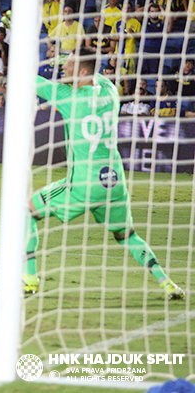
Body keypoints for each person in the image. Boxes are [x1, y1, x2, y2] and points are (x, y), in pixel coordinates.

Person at [26, 50, 185, 300]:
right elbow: (94, 75)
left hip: (82, 184)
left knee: (26, 211)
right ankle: (167, 283)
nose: (63, 68)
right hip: (114, 182)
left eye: (69, 65)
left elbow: (31, 80)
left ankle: (29, 280)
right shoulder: (111, 90)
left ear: (83, 72)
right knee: (128, 235)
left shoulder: (69, 98)